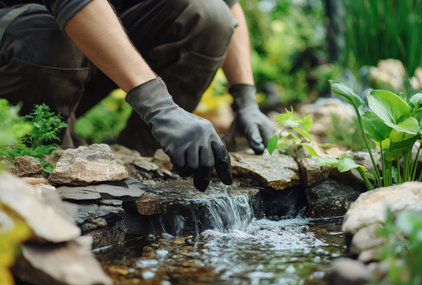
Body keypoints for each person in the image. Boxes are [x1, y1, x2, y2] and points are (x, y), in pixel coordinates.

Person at [0, 0, 275, 191]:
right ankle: (50, 164)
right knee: (46, 37)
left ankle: (142, 161)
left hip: (88, 55)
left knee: (208, 13)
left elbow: (228, 7)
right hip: (21, 55)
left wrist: (246, 100)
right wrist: (159, 107)